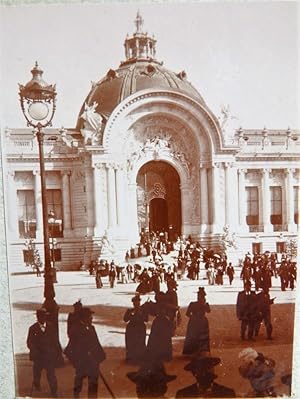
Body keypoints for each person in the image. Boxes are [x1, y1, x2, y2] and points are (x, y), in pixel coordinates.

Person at [64, 307, 106, 398]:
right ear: (84, 318)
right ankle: (76, 396)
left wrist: (100, 355)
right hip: (82, 361)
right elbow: (72, 347)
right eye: (90, 317)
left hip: (93, 362)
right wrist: (78, 359)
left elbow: (96, 342)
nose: (91, 318)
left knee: (93, 383)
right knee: (79, 380)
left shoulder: (92, 328)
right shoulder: (75, 330)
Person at [27, 308, 62, 398]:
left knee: (51, 374)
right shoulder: (33, 328)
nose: (42, 318)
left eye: (44, 316)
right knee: (37, 373)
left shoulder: (51, 327)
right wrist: (34, 350)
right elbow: (29, 342)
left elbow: (55, 341)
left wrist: (58, 352)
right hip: (38, 357)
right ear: (38, 317)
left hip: (49, 356)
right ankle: (37, 383)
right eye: (41, 317)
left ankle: (54, 391)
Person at [183, 287, 211, 356]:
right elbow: (208, 311)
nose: (201, 298)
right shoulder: (194, 304)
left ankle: (197, 351)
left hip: (196, 322)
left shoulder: (195, 304)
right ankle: (198, 350)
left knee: (196, 336)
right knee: (196, 336)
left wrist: (193, 317)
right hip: (199, 322)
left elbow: (209, 311)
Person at [146, 293, 173, 362]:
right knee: (162, 338)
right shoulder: (164, 305)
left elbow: (152, 312)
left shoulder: (161, 305)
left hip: (160, 322)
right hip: (162, 322)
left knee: (158, 338)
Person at [123, 294, 148, 364]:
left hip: (140, 328)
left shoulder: (143, 310)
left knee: (140, 343)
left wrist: (141, 314)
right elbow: (125, 319)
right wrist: (130, 314)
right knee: (131, 343)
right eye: (135, 303)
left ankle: (140, 357)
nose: (136, 304)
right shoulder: (130, 310)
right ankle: (131, 357)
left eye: (137, 303)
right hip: (132, 328)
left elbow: (146, 319)